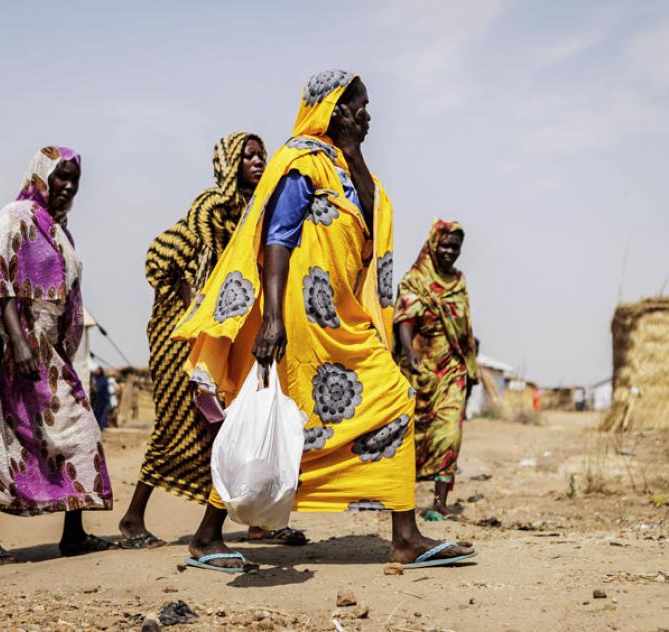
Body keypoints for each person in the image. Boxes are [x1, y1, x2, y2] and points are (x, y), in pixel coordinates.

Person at [172, 71, 476, 572]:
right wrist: (271, 318)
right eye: (359, 106)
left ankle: (405, 537)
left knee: (376, 404)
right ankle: (207, 535)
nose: (369, 114)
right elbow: (277, 238)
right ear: (335, 110)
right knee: (276, 419)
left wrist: (354, 153)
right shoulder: (301, 163)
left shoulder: (347, 170)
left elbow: (373, 221)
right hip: (297, 320)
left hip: (339, 319)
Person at [119, 133, 307, 549]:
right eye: (248, 156)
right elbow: (158, 256)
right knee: (179, 425)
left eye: (261, 155)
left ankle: (257, 521)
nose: (257, 162)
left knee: (233, 425)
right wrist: (194, 304)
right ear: (228, 163)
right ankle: (133, 518)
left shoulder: (255, 211)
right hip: (181, 334)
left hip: (226, 334)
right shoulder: (211, 208)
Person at [0, 146, 113, 567]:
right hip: (10, 348)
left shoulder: (61, 232)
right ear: (41, 176)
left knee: (79, 432)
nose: (67, 187)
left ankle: (74, 534)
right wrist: (19, 343)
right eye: (60, 177)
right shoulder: (15, 218)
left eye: (74, 181)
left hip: (48, 351)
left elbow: (67, 297)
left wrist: (56, 345)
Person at [393, 220, 478, 520]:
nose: (449, 252)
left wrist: (470, 366)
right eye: (444, 245)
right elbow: (404, 319)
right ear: (432, 244)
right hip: (420, 367)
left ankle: (440, 502)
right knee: (412, 435)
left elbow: (464, 327)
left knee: (449, 433)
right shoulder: (415, 279)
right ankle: (401, 498)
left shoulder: (459, 282)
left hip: (453, 368)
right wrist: (408, 350)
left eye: (455, 247)